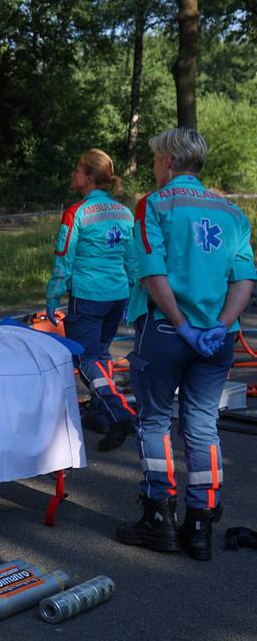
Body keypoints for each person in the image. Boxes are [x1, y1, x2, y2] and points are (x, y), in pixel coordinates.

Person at [116, 128, 255, 562]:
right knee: (202, 425)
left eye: (156, 159)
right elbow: (244, 280)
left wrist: (182, 325)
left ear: (169, 161)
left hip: (166, 333)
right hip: (217, 339)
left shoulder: (156, 205)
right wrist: (220, 326)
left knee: (155, 421)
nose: (155, 166)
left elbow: (153, 274)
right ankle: (200, 521)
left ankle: (159, 516)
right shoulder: (232, 212)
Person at [43, 149, 137, 451]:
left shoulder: (77, 212)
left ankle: (118, 412)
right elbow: (132, 260)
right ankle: (100, 414)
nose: (73, 174)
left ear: (89, 177)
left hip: (87, 296)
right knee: (101, 353)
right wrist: (132, 296)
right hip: (117, 296)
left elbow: (64, 260)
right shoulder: (124, 213)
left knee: (84, 358)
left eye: (77, 170)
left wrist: (52, 297)